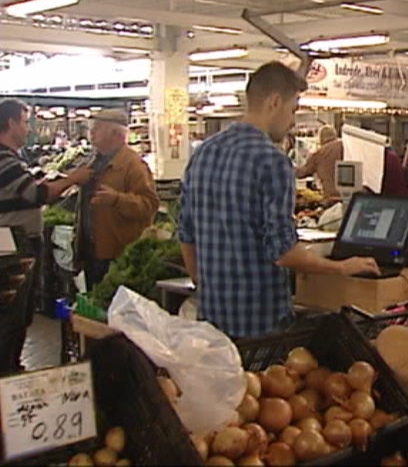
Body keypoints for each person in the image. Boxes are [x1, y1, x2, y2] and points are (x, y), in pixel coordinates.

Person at [178, 62, 378, 338]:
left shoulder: (203, 153)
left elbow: (186, 235)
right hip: (260, 321)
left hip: (212, 319)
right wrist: (342, 267)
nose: (293, 121)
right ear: (274, 102)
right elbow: (283, 252)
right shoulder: (272, 161)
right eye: (293, 109)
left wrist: (203, 284)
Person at [0, 99, 92, 372]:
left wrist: (57, 178)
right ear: (11, 123)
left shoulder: (14, 159)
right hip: (14, 246)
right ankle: (7, 374)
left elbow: (33, 185)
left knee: (18, 313)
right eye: (25, 122)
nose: (27, 128)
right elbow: (37, 194)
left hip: (15, 242)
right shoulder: (4, 160)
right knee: (12, 314)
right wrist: (73, 179)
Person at [74, 109, 159, 290]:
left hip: (116, 253)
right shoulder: (94, 161)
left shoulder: (133, 165)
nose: (91, 133)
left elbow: (149, 205)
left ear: (115, 133)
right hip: (92, 250)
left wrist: (117, 200)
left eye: (96, 128)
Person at [295, 125, 343, 198]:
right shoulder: (344, 146)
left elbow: (301, 172)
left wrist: (285, 165)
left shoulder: (319, 154)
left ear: (321, 138)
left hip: (331, 198)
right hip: (350, 197)